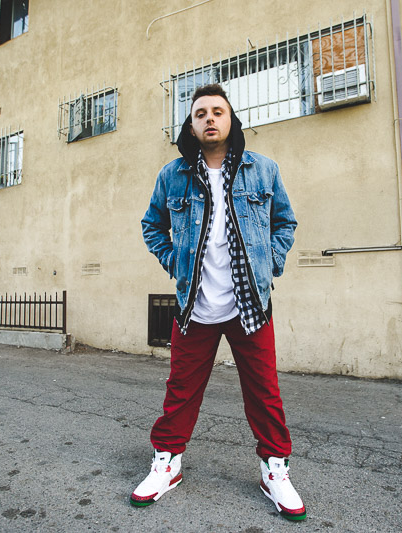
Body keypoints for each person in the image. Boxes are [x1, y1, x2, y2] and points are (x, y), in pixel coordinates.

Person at [135, 84, 304, 520]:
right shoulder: (172, 175)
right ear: (191, 125)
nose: (209, 118)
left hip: (250, 304)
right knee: (180, 391)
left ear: (231, 120)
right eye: (200, 113)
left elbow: (284, 222)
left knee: (264, 392)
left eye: (217, 111)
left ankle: (275, 469)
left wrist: (271, 263)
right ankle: (167, 463)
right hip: (195, 305)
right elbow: (152, 225)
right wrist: (174, 262)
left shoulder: (263, 170)